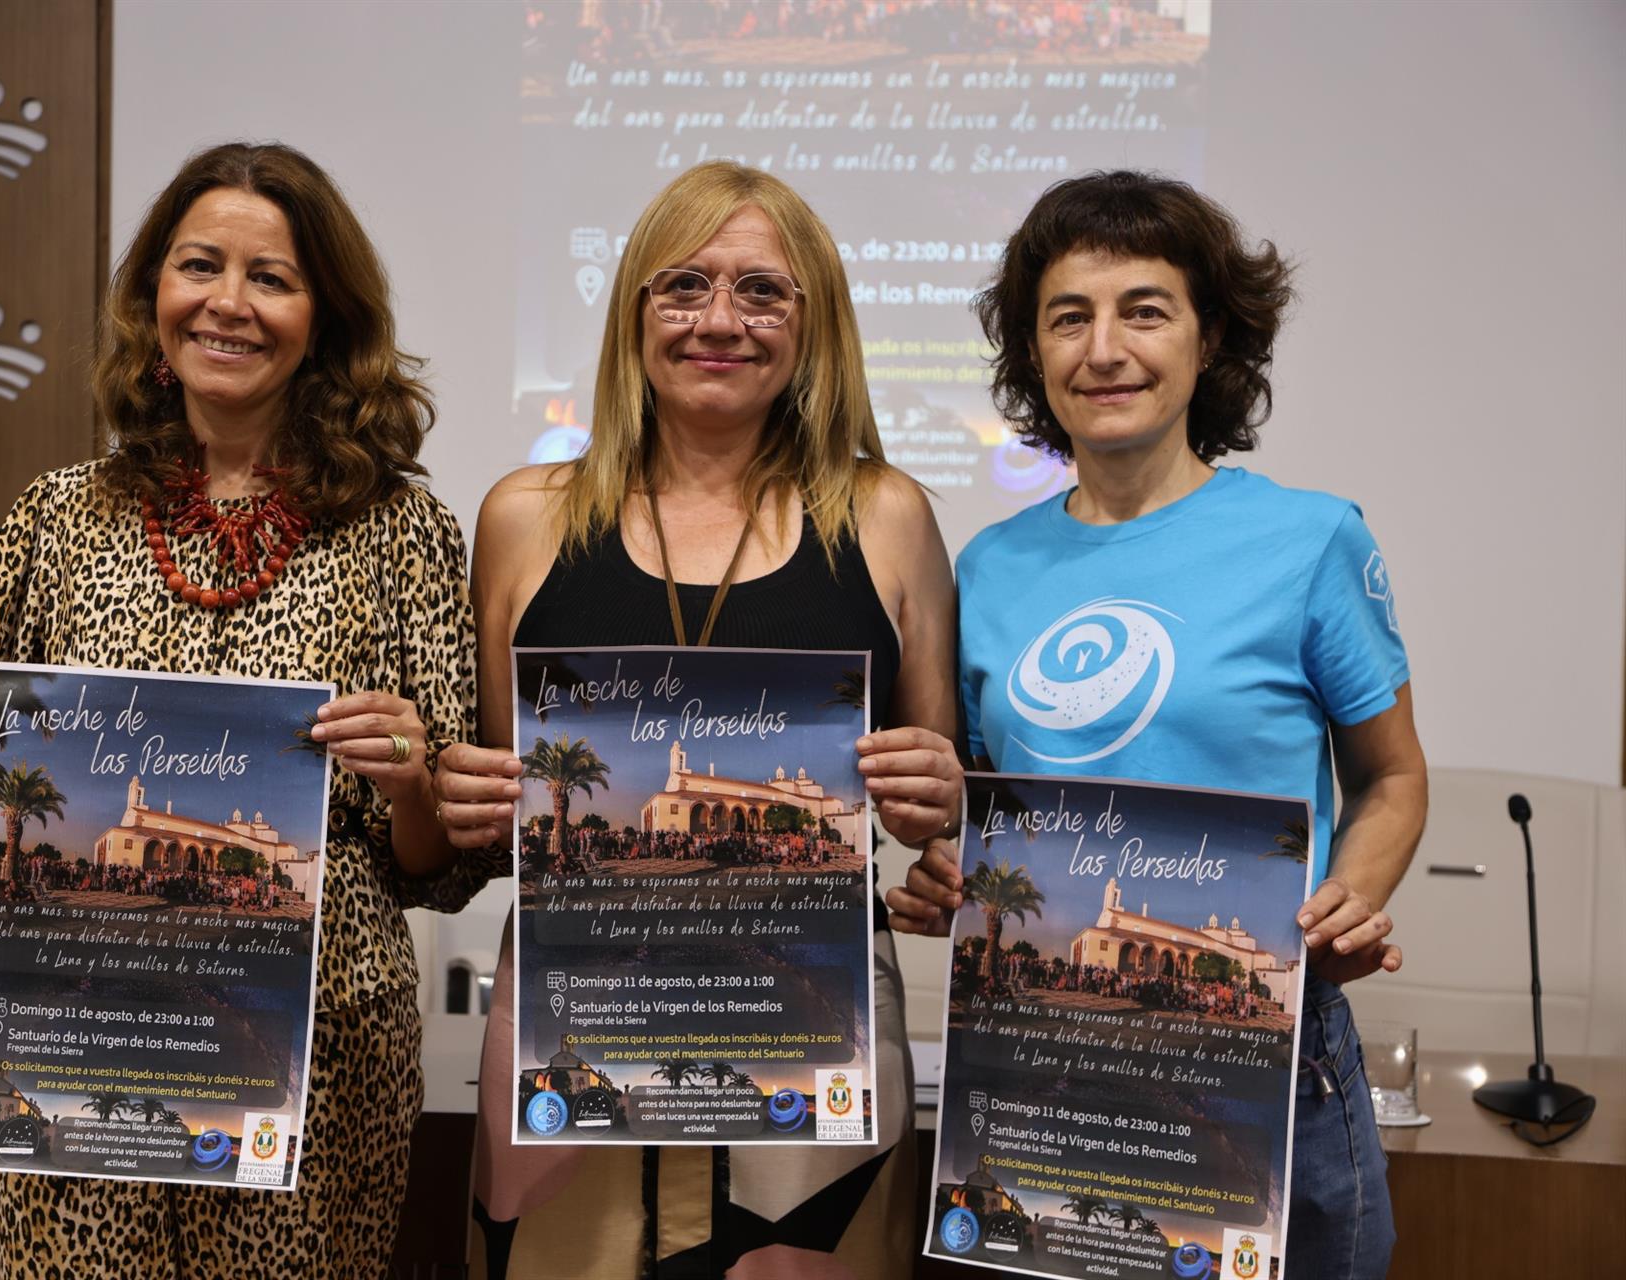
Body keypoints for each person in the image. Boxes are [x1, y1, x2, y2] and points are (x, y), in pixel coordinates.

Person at [0, 142, 504, 1279]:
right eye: (199, 266)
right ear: (153, 298)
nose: (229, 302)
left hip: (316, 1073)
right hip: (77, 1052)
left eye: (271, 277)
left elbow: (436, 866)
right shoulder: (56, 517)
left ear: (324, 316)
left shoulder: (405, 531)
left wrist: (412, 781)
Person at [887, 170, 1428, 1279]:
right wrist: (956, 868)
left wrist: (1350, 896)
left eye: (1144, 309)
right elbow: (991, 805)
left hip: (1267, 1056)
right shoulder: (989, 567)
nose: (1105, 349)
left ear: (1208, 336)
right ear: (1033, 353)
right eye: (1069, 316)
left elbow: (1392, 778)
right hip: (1046, 1062)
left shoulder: (1313, 540)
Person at [432, 160, 963, 1278]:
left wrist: (941, 799)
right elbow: (491, 810)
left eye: (762, 291)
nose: (720, 320)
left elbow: (940, 813)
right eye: (684, 286)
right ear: (635, 311)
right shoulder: (524, 518)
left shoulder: (887, 515)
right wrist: (462, 791)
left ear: (815, 324)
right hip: (571, 1029)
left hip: (813, 1043)